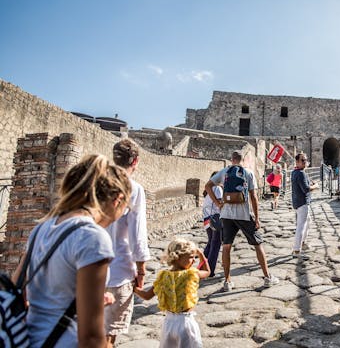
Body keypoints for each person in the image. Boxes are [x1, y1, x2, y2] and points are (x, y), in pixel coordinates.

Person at [13, 154, 131, 347]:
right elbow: (91, 338)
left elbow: (19, 292)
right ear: (117, 200)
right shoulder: (93, 237)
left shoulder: (41, 228)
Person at [205, 150, 279, 292]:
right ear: (243, 160)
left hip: (226, 214)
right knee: (258, 244)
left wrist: (218, 203)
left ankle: (227, 282)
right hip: (244, 214)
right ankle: (268, 277)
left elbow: (207, 186)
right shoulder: (248, 173)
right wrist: (257, 218)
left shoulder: (225, 171)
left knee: (226, 247)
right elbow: (253, 197)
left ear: (231, 159)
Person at [105, 139, 151, 347]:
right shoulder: (134, 188)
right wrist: (141, 270)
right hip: (118, 271)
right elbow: (137, 233)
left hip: (87, 269)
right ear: (136, 161)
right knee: (108, 336)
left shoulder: (95, 183)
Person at [134, 238, 210, 348]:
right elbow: (207, 272)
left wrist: (134, 288)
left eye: (195, 257)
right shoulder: (192, 274)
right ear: (177, 257)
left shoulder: (163, 276)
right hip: (186, 323)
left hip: (168, 324)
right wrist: (202, 254)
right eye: (191, 257)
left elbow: (147, 296)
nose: (194, 261)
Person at [291, 153, 318, 257]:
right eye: (302, 160)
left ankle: (302, 243)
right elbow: (306, 189)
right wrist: (315, 186)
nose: (305, 162)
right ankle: (297, 250)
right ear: (297, 162)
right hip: (302, 202)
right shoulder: (300, 173)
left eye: (306, 160)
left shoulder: (295, 172)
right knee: (301, 226)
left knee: (307, 221)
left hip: (298, 202)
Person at [202, 171, 223, 277]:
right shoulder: (217, 189)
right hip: (215, 219)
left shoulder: (207, 192)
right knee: (215, 245)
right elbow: (219, 204)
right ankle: (210, 271)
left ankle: (202, 267)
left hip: (207, 220)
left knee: (210, 243)